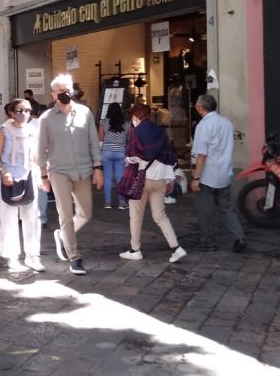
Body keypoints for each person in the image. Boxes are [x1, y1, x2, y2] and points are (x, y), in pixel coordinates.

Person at [38, 74, 104, 276]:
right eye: (60, 91)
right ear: (53, 94)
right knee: (65, 214)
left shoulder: (84, 113)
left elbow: (94, 141)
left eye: (68, 89)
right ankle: (74, 257)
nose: (65, 93)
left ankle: (63, 237)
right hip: (58, 171)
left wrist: (98, 167)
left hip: (83, 170)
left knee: (85, 213)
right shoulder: (46, 118)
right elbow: (41, 149)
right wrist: (43, 175)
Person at [120, 104, 187, 263]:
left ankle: (135, 250)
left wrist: (128, 159)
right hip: (160, 180)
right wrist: (170, 179)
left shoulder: (136, 132)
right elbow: (169, 156)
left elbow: (133, 156)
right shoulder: (160, 132)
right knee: (160, 216)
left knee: (136, 216)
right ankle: (176, 248)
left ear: (135, 117)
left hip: (142, 180)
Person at [190, 94, 246, 253]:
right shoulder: (227, 123)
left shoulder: (203, 126)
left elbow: (202, 154)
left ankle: (207, 242)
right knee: (227, 208)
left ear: (201, 107)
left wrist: (196, 177)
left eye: (196, 105)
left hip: (208, 174)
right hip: (225, 171)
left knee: (205, 211)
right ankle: (239, 236)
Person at [0, 99, 43, 273]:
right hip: (8, 178)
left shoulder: (33, 131)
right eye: (20, 110)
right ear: (12, 113)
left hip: (28, 177)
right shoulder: (3, 130)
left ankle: (32, 255)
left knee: (32, 218)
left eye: (28, 110)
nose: (25, 113)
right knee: (9, 218)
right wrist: (3, 171)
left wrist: (43, 175)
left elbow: (36, 157)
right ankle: (12, 256)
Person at [99, 102, 131, 210]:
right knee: (120, 178)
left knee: (107, 177)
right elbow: (130, 139)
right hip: (121, 152)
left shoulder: (104, 123)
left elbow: (100, 138)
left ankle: (107, 202)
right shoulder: (126, 124)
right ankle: (121, 202)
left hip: (106, 152)